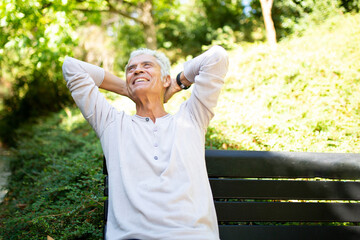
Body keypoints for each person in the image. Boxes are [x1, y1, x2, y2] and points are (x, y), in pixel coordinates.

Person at [62, 45, 229, 240]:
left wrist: (176, 83)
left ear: (165, 78)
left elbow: (217, 57)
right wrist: (129, 87)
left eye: (147, 65)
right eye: (131, 69)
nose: (138, 70)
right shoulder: (112, 124)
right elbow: (71, 67)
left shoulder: (192, 118)